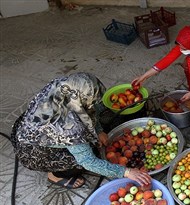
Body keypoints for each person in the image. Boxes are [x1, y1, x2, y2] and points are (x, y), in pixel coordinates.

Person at [10, 72, 151, 189]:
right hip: (34, 152)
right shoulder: (69, 127)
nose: (93, 104)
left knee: (92, 134)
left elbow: (88, 110)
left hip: (30, 129)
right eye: (90, 101)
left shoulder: (64, 86)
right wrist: (126, 172)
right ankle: (55, 175)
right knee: (86, 158)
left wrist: (99, 130)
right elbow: (88, 161)